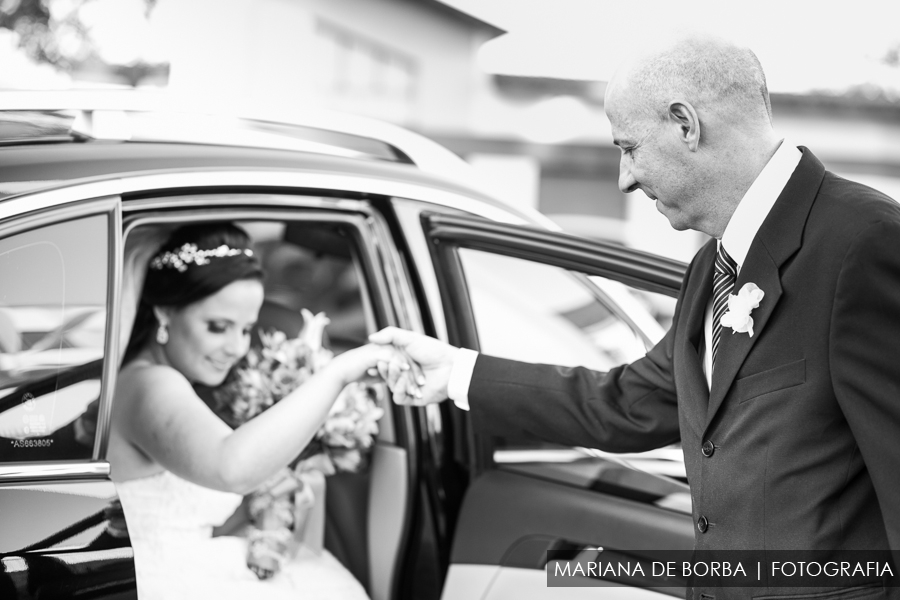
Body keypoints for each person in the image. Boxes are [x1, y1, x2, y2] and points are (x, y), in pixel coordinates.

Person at [371, 33, 900, 597]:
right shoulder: (711, 269)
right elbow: (633, 403)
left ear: (685, 124)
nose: (623, 177)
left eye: (629, 147)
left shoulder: (865, 243)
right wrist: (456, 372)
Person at [108, 222, 410, 600]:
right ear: (166, 313)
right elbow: (231, 468)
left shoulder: (157, 379)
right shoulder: (151, 385)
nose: (236, 348)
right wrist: (338, 375)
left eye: (247, 329)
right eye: (218, 327)